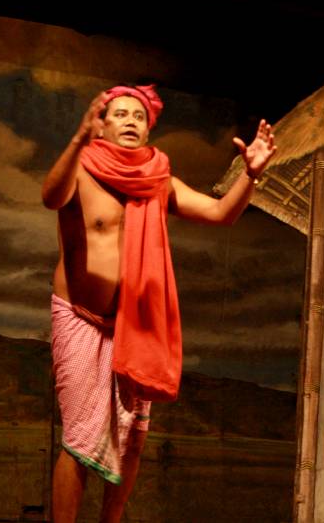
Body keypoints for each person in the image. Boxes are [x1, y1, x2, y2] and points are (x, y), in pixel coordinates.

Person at [41, 84, 276, 522]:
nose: (131, 121)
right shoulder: (81, 167)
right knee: (79, 437)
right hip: (80, 317)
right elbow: (50, 197)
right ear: (101, 126)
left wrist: (251, 175)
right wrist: (77, 140)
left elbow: (221, 213)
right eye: (120, 114)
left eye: (139, 116)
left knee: (133, 438)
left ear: (149, 130)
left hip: (134, 322)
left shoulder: (157, 180)